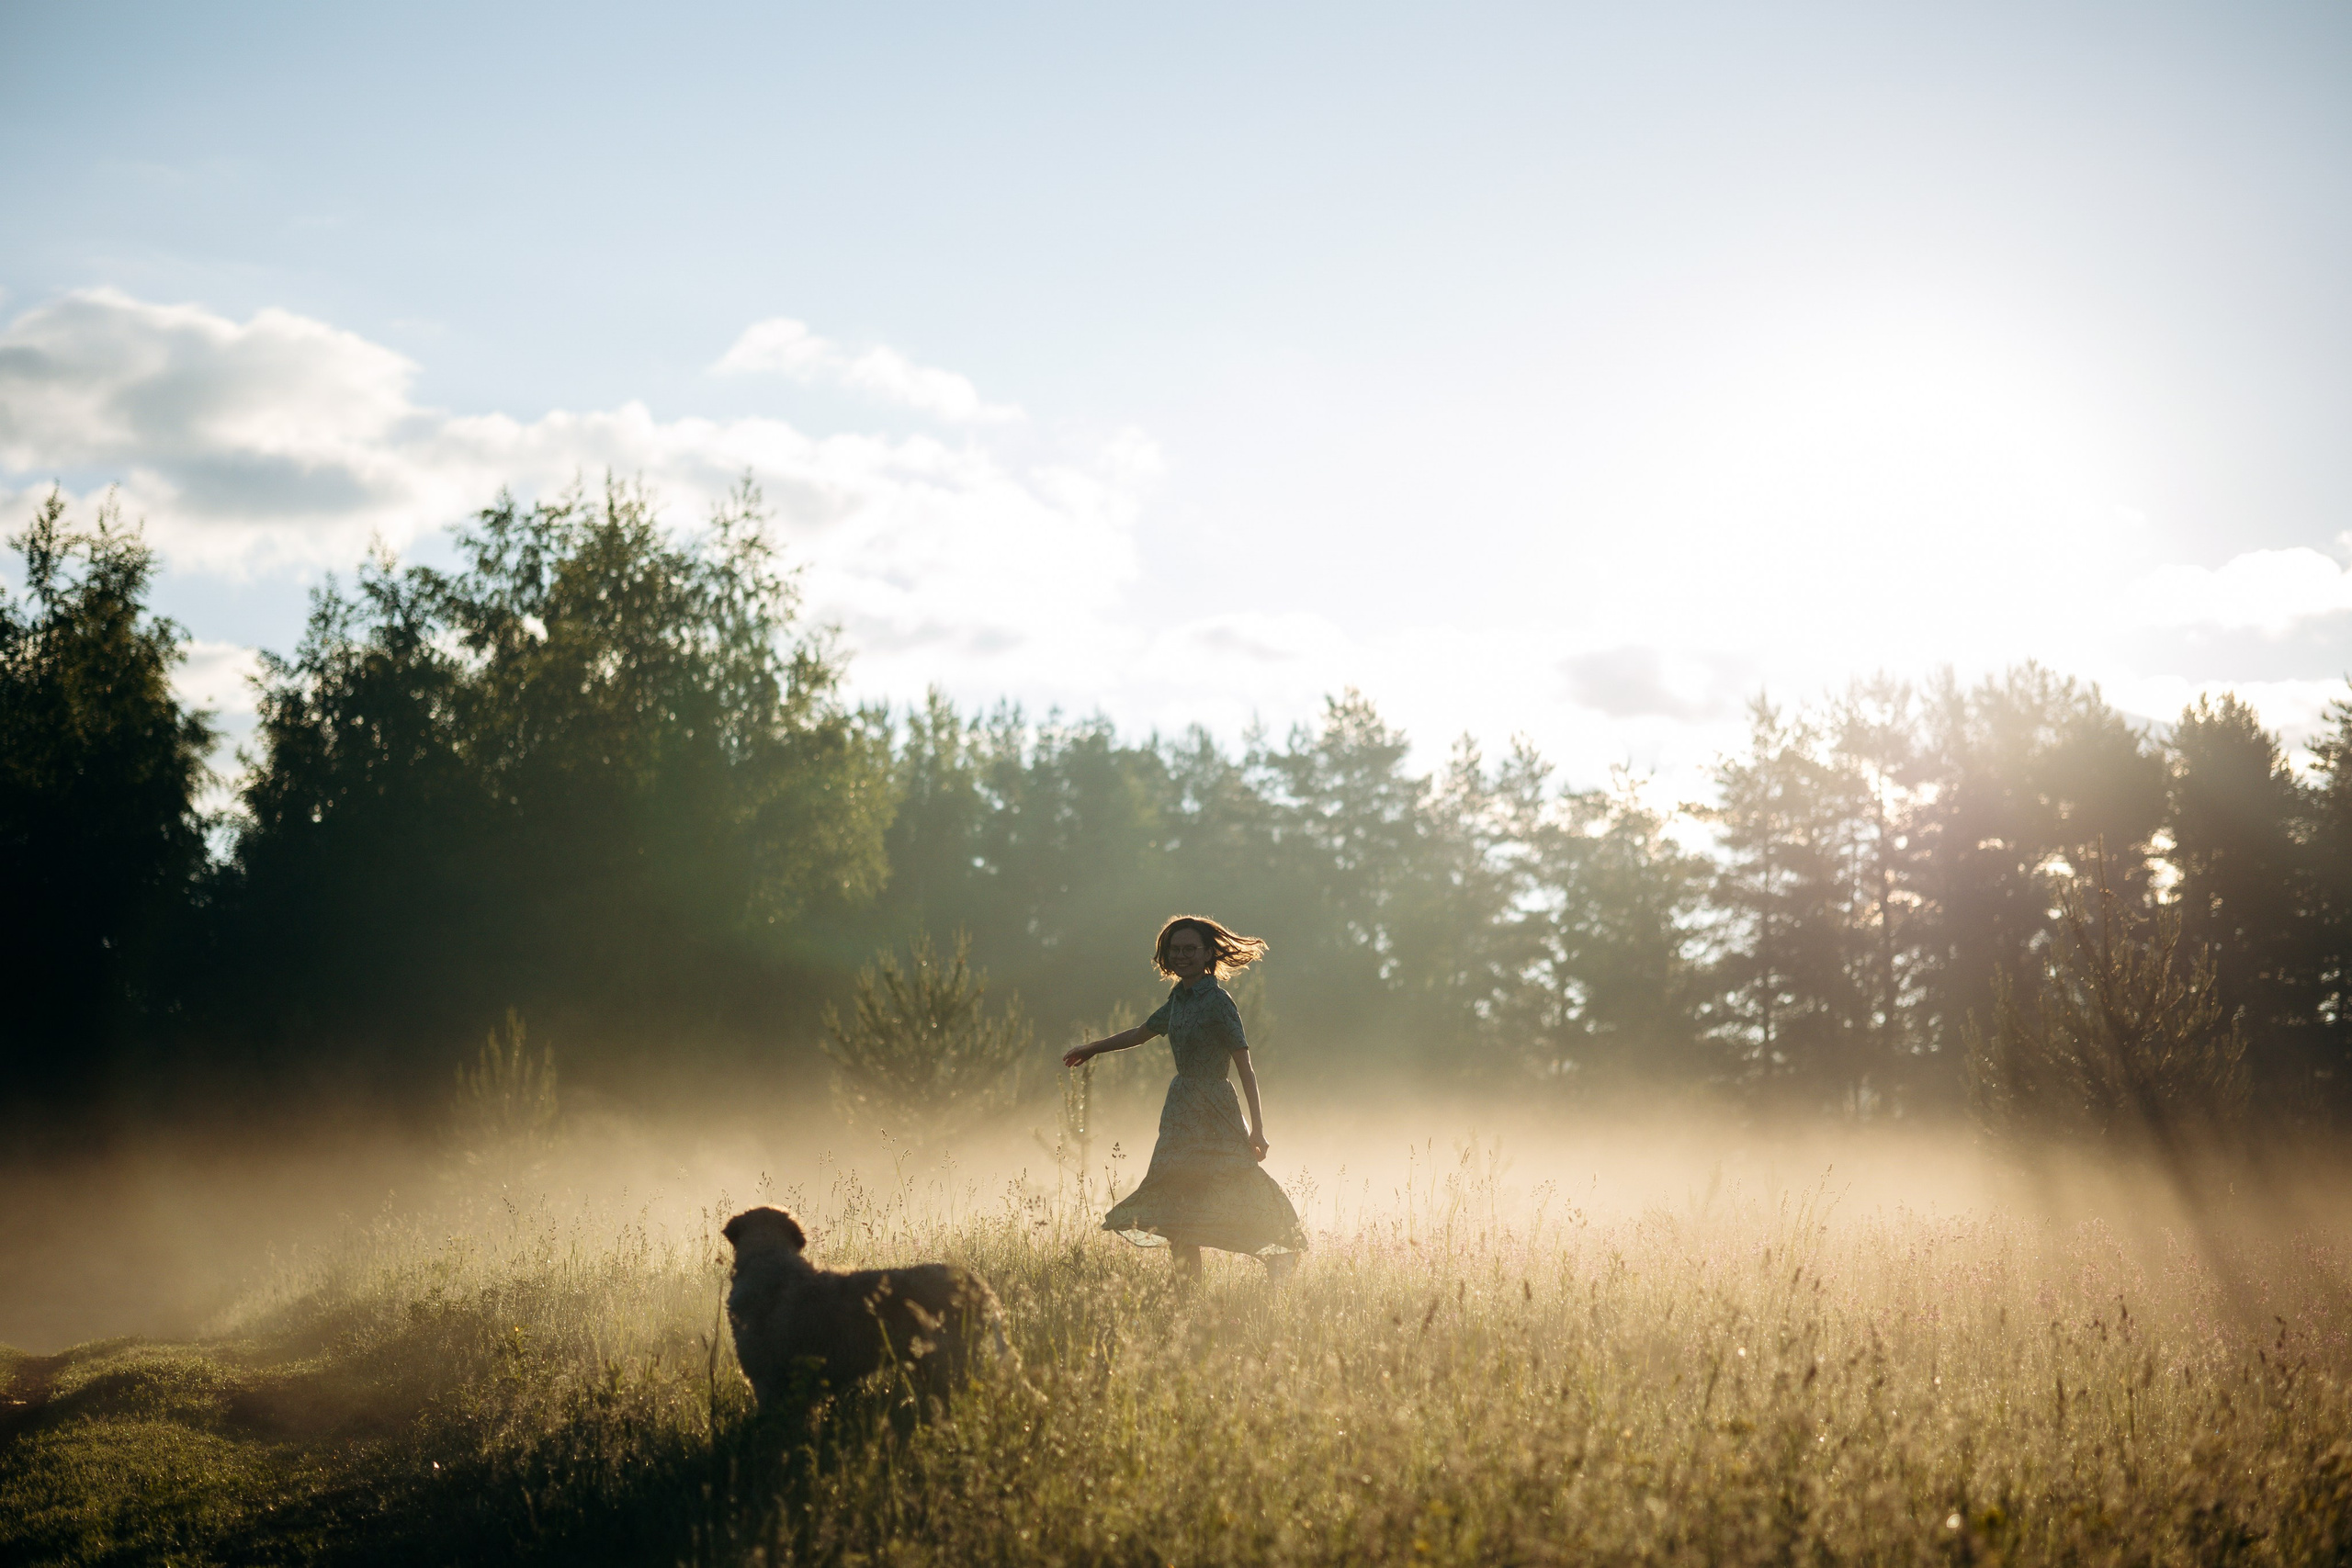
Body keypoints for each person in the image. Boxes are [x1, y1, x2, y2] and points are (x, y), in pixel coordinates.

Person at [1062, 914, 1307, 1283]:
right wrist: (1094, 1048)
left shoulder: (1219, 1002)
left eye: (1190, 949)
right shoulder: (1178, 997)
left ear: (1208, 953)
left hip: (1215, 1107)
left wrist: (1258, 1130)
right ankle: (1187, 1289)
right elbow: (1143, 1032)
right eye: (1175, 950)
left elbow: (1246, 1067)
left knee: (1237, 1180)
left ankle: (1281, 1253)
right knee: (1176, 1193)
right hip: (1180, 1109)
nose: (1182, 956)